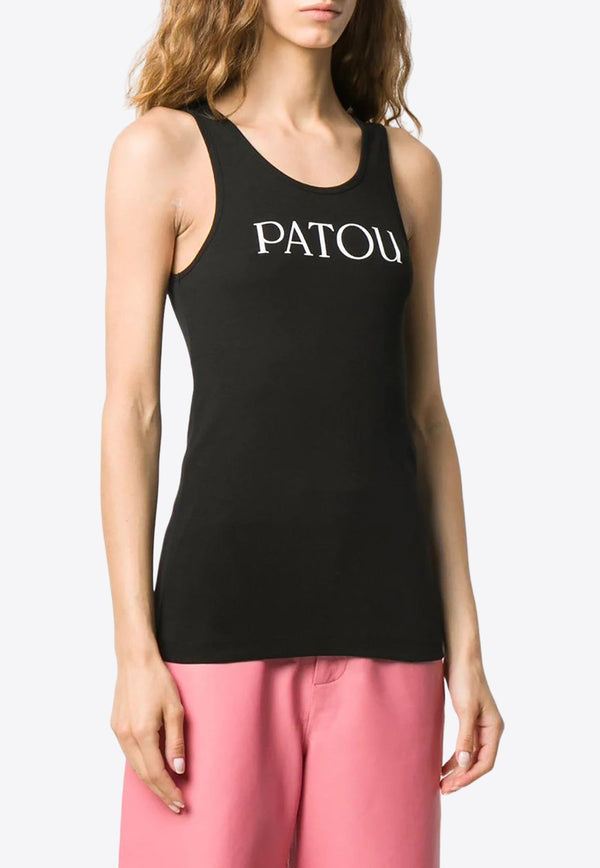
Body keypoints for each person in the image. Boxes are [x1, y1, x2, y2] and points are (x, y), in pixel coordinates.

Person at [101, 1, 505, 865]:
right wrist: (135, 652)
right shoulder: (165, 151)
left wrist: (466, 648)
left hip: (390, 631)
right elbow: (133, 409)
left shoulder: (407, 171)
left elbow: (425, 415)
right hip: (216, 629)